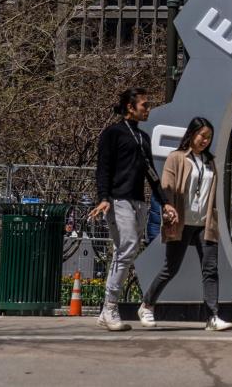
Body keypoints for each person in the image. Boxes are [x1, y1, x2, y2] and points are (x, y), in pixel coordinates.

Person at [137, 117, 231, 331]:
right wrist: (167, 208)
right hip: (181, 221)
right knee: (171, 268)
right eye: (202, 136)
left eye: (209, 137)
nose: (205, 141)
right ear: (192, 134)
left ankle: (212, 317)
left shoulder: (210, 161)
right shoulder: (176, 158)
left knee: (210, 270)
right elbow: (166, 187)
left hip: (204, 223)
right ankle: (147, 305)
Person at [88, 87, 168, 332]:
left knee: (126, 251)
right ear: (130, 108)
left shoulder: (142, 137)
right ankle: (110, 306)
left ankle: (106, 311)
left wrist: (164, 202)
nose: (148, 109)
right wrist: (104, 197)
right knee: (128, 247)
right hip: (118, 200)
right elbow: (104, 167)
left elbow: (151, 173)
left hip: (139, 202)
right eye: (144, 105)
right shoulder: (113, 133)